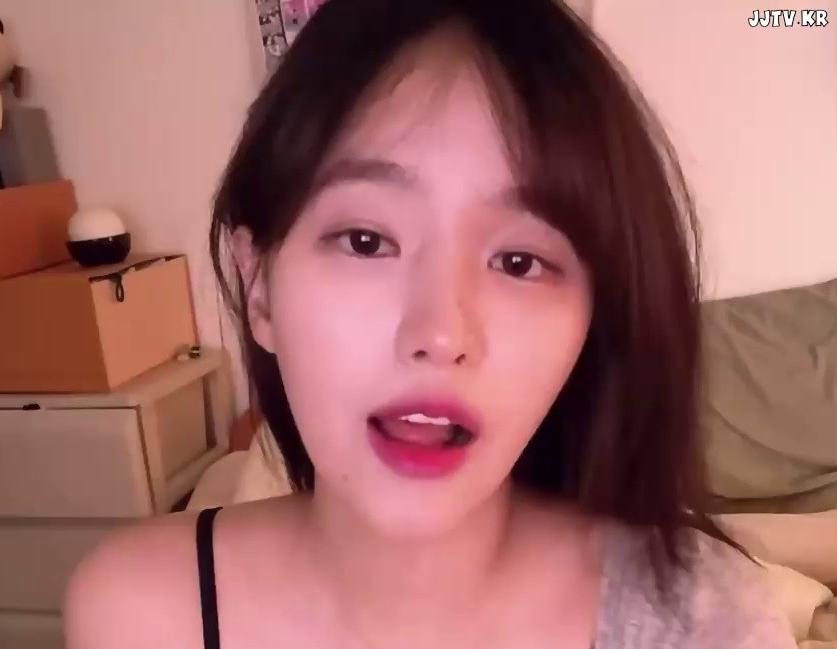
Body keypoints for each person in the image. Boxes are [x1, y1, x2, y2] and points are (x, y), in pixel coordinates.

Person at [64, 1, 796, 647]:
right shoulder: (138, 613)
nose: (441, 334)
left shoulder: (705, 621)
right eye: (365, 241)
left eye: (518, 261)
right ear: (258, 288)